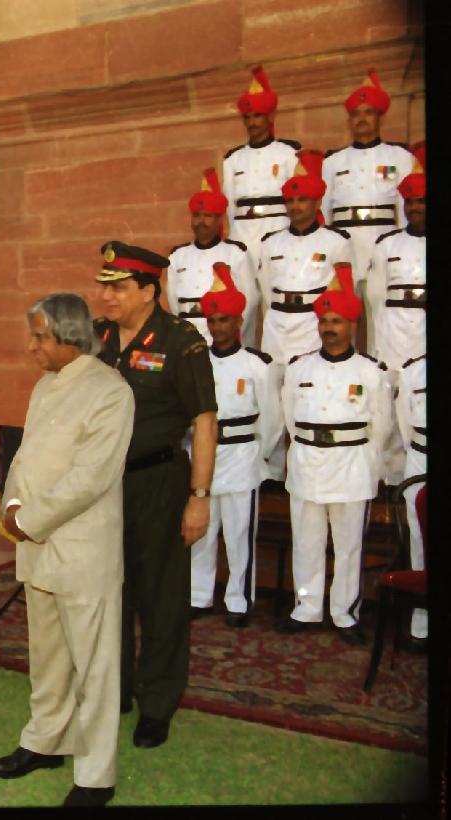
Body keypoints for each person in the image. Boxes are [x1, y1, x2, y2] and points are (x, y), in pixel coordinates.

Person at [0, 293, 133, 809]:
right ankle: (45, 741)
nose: (32, 346)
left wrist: (26, 521)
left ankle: (96, 775)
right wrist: (12, 506)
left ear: (70, 336)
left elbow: (90, 478)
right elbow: (26, 459)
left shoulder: (110, 392)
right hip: (37, 546)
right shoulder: (45, 385)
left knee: (94, 665)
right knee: (47, 655)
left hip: (82, 549)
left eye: (40, 337)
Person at [93, 241, 217, 750]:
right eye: (105, 287)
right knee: (109, 592)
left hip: (160, 483)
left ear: (149, 291)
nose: (107, 296)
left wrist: (199, 496)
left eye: (119, 288)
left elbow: (204, 421)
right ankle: (115, 689)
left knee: (162, 598)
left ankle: (158, 703)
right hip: (104, 487)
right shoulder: (98, 338)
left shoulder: (180, 340)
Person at [277, 262, 391, 645]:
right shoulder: (298, 369)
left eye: (337, 321)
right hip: (308, 463)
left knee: (348, 546)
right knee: (306, 542)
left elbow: (381, 426)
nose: (329, 327)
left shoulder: (371, 372)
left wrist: (369, 466)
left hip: (351, 466)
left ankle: (345, 614)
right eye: (324, 320)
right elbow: (290, 418)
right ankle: (306, 607)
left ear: (352, 325)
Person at [187, 263, 282, 627]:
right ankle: (198, 596)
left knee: (240, 533)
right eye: (212, 320)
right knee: (202, 530)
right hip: (204, 455)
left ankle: (239, 601)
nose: (217, 327)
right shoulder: (196, 362)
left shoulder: (258, 365)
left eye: (224, 320)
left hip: (242, 454)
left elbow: (272, 419)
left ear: (239, 320)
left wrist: (261, 455)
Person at [321, 69, 415, 346]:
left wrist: (402, 251)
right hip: (345, 249)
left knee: (381, 320)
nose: (361, 119)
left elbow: (405, 207)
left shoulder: (400, 157)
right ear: (349, 120)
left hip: (382, 246)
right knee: (339, 316)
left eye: (369, 113)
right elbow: (324, 211)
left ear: (381, 117)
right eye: (356, 114)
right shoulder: (333, 162)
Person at [257, 150, 355, 366]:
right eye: (290, 201)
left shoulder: (337, 241)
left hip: (313, 326)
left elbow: (343, 292)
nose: (295, 206)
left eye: (302, 200)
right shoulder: (270, 243)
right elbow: (265, 289)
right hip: (276, 327)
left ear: (317, 203)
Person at [223, 65, 303, 280]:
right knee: (243, 293)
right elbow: (230, 205)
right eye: (247, 117)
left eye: (257, 116)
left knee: (276, 290)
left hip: (278, 230)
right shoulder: (233, 159)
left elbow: (297, 197)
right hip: (243, 234)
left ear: (270, 116)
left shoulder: (289, 153)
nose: (252, 123)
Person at [166, 167, 259, 345]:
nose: (201, 221)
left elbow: (250, 300)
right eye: (196, 216)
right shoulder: (177, 256)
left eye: (208, 216)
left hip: (223, 335)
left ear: (219, 220)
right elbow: (174, 303)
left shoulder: (235, 253)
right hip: (187, 335)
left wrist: (230, 337)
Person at [366, 142, 425, 372]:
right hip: (395, 336)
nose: (414, 208)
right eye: (410, 202)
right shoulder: (387, 244)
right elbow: (376, 298)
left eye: (421, 201)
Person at [394, 350, 427, 651]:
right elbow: (405, 424)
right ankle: (422, 625)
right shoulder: (413, 371)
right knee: (419, 539)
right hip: (421, 455)